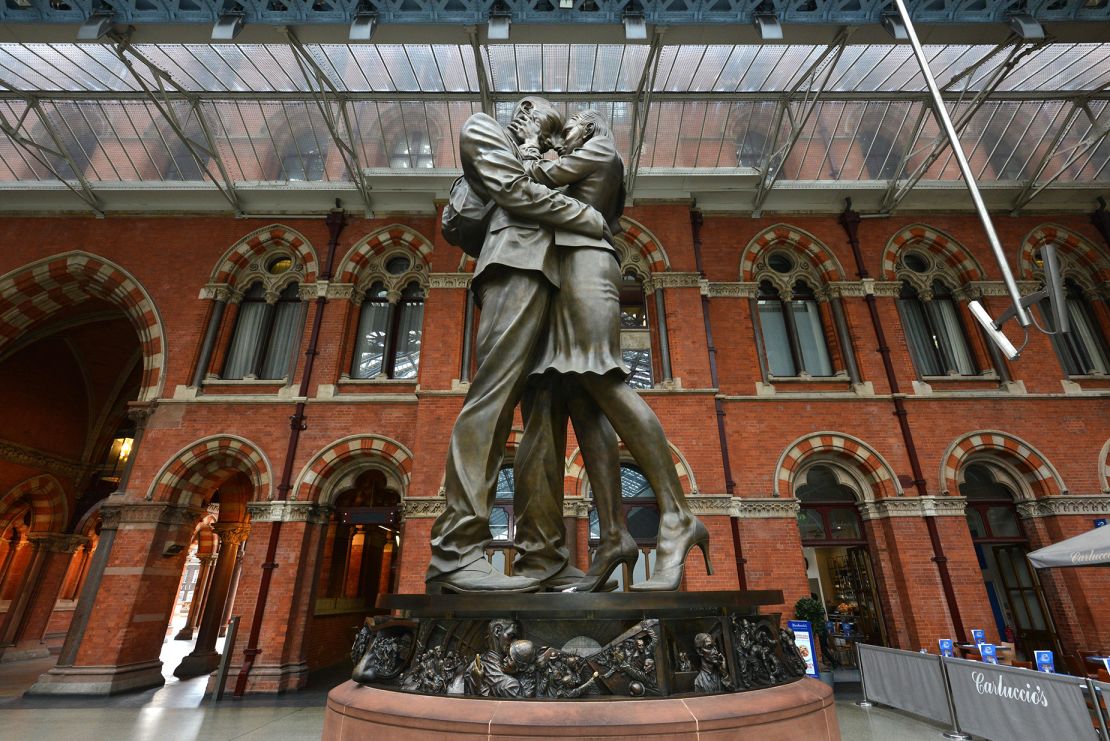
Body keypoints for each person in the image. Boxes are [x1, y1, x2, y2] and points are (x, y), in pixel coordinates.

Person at [514, 109, 710, 592]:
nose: (566, 135)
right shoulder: (587, 156)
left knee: (602, 378)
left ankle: (678, 515)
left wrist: (534, 141)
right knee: (583, 400)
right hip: (568, 272)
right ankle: (615, 537)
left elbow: (531, 180)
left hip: (588, 268)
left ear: (593, 126)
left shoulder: (601, 149)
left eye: (572, 127)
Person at [425, 98, 610, 594]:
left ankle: (542, 555)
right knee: (493, 398)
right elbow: (513, 192)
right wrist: (585, 217)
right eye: (536, 119)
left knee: (546, 420)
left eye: (549, 131)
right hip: (514, 269)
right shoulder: (483, 129)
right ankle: (456, 551)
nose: (541, 131)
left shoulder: (546, 157)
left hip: (555, 278)